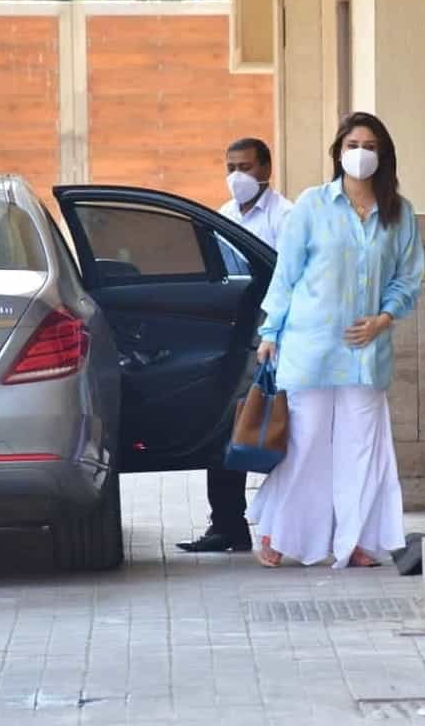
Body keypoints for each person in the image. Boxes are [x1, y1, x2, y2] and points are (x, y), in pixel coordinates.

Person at [248, 112, 425, 569]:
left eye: (369, 145)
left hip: (366, 352)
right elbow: (285, 275)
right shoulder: (312, 205)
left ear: (382, 155)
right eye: (352, 144)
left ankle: (360, 540)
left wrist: (383, 320)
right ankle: (279, 533)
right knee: (305, 444)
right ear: (338, 152)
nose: (360, 153)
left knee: (363, 448)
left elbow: (408, 279)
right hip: (311, 347)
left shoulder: (399, 214)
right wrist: (270, 332)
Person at [176, 137, 294, 554]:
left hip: (272, 340)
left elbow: (289, 281)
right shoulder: (225, 215)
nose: (237, 177)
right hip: (234, 337)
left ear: (266, 170)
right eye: (230, 168)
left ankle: (285, 527)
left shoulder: (286, 218)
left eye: (245, 167)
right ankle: (226, 523)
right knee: (227, 428)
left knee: (274, 430)